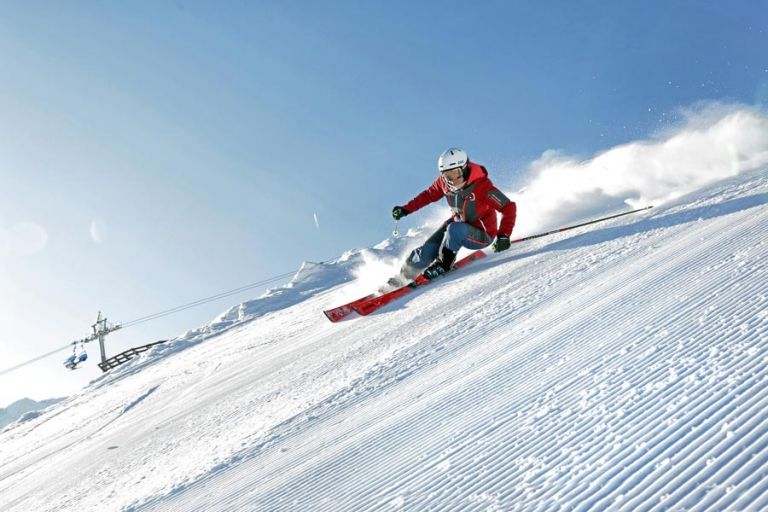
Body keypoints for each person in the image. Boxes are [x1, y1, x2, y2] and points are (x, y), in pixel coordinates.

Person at [389, 148, 517, 287]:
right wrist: (405, 209)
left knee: (455, 229)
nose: (453, 180)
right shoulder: (444, 184)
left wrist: (504, 235)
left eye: (457, 173)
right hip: (455, 225)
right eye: (448, 175)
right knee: (425, 252)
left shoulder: (482, 186)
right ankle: (402, 278)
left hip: (482, 234)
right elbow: (428, 195)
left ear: (465, 168)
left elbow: (508, 207)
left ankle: (443, 265)